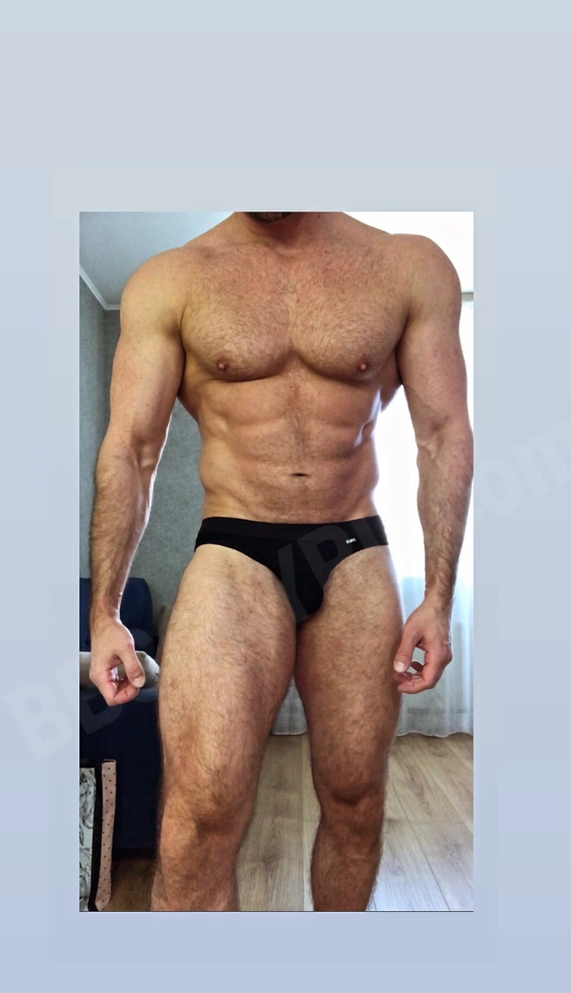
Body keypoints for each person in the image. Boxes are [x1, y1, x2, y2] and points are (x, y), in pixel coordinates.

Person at [88, 212, 473, 911]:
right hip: (234, 551)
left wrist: (439, 599)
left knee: (357, 801)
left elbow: (443, 435)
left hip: (352, 549)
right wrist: (104, 613)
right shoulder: (171, 281)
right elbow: (131, 451)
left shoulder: (406, 267)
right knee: (198, 819)